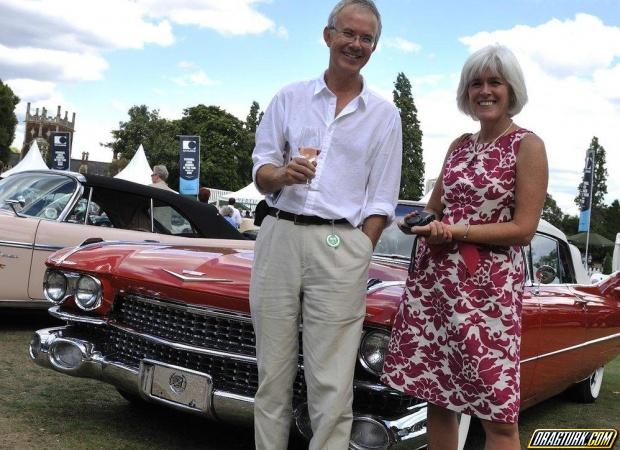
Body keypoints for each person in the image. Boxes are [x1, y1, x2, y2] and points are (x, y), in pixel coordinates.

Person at [249, 1, 402, 448]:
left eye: (366, 38)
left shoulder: (385, 115)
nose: (356, 44)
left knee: (332, 383)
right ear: (327, 35)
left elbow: (381, 198)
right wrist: (282, 174)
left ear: (374, 46)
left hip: (340, 245)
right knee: (271, 374)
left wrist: (359, 249)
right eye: (348, 33)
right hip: (279, 233)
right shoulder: (289, 98)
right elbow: (261, 172)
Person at [381, 44, 548, 450]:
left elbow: (524, 229)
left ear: (511, 90)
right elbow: (434, 207)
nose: (485, 91)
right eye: (477, 83)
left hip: (487, 292)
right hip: (435, 285)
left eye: (495, 82)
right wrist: (420, 222)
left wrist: (455, 231)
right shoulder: (458, 145)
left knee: (497, 411)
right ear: (466, 92)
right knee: (440, 400)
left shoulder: (527, 145)